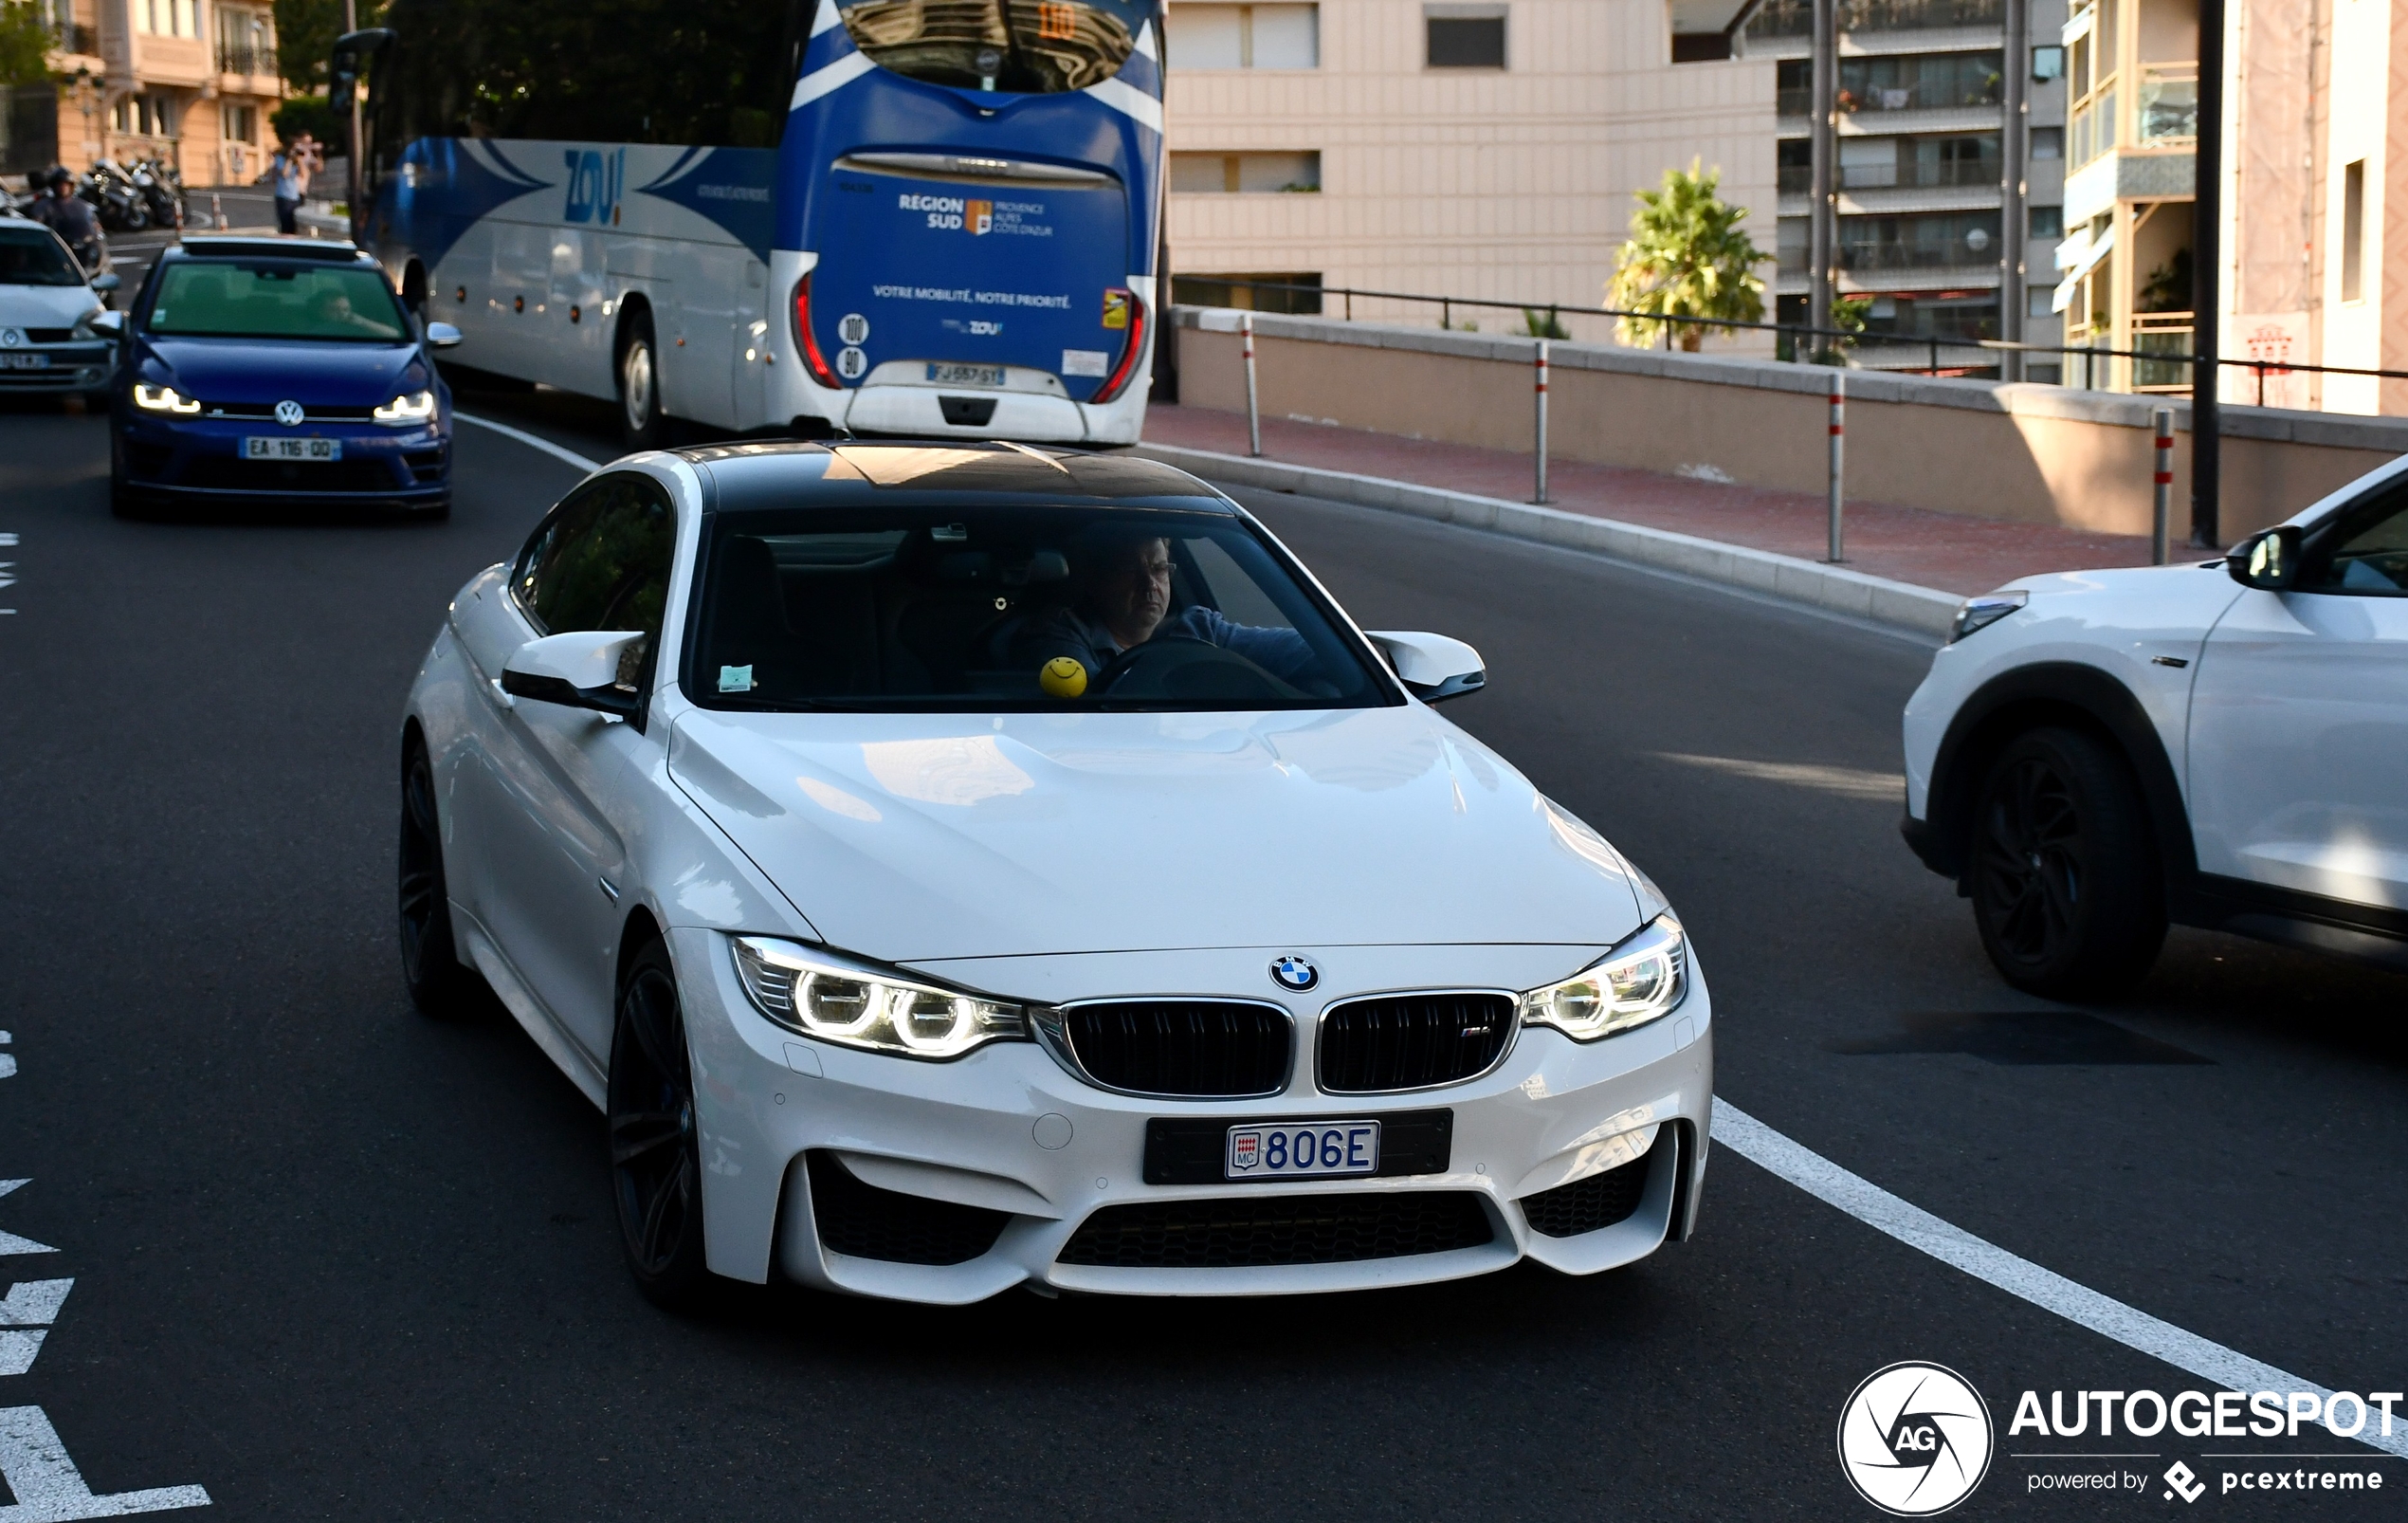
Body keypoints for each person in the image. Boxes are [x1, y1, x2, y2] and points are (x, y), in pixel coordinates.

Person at [1011, 527, 1322, 688]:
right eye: (1129, 571)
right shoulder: (1059, 635)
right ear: (1097, 580)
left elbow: (1309, 650)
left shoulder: (1200, 629)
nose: (1150, 585)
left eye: (1159, 569)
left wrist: (1344, 650)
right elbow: (1100, 705)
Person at [27, 169, 103, 276]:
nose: (63, 188)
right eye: (60, 185)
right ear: (54, 186)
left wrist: (95, 232)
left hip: (81, 245)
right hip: (57, 247)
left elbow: (93, 223)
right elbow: (36, 224)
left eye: (66, 184)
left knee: (101, 263)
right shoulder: (44, 205)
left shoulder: (82, 205)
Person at [269, 135, 312, 235]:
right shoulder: (280, 158)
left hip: (295, 197)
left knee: (295, 227)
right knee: (286, 226)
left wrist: (299, 160)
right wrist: (289, 159)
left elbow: (304, 174)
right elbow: (284, 173)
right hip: (283, 196)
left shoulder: (296, 161)